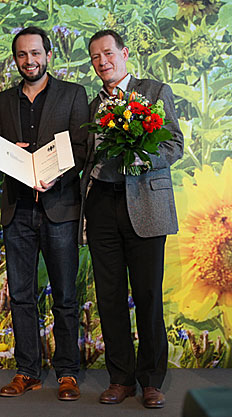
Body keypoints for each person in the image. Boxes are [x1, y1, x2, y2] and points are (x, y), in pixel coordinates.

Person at [80, 29, 183, 409]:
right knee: (108, 298)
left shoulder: (154, 92)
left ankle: (152, 380)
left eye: (108, 53)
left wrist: (144, 158)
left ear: (123, 53)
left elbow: (174, 143)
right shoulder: (94, 105)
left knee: (148, 296)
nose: (102, 62)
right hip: (103, 206)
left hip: (145, 206)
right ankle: (120, 379)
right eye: (95, 57)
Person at [0, 27, 88, 401]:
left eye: (35, 53)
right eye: (21, 55)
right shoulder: (1, 101)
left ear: (49, 55)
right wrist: (7, 152)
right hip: (17, 209)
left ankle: (67, 372)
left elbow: (81, 148)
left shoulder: (73, 94)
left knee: (65, 295)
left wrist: (53, 175)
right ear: (15, 59)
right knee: (20, 295)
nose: (29, 61)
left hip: (60, 206)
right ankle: (27, 371)